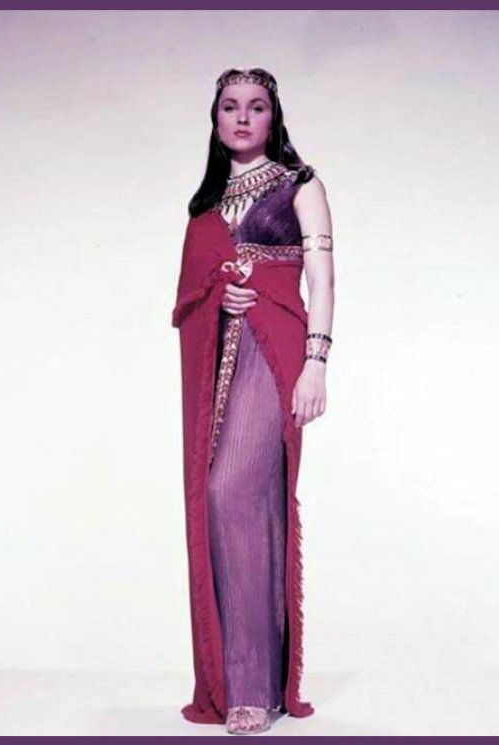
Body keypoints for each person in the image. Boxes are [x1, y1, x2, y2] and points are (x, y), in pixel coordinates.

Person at [171, 67, 334, 735]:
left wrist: (317, 363)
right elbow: (187, 295)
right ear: (216, 121)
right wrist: (221, 292)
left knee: (232, 489)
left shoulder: (301, 184)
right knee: (238, 499)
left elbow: (322, 279)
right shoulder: (206, 206)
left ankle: (254, 683)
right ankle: (250, 685)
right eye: (230, 107)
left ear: (274, 116)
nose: (242, 117)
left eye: (256, 106)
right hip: (221, 357)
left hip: (277, 350)